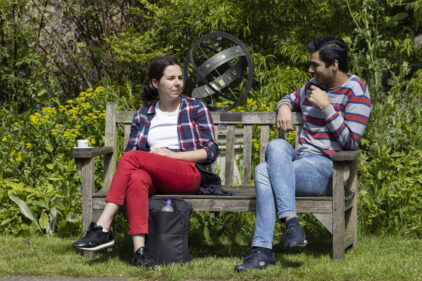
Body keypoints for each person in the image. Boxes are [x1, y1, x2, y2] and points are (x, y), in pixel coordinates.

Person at [234, 37, 372, 272]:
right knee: (277, 146)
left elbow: (350, 143)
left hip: (328, 169)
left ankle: (262, 251)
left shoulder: (357, 91)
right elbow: (288, 98)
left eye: (315, 65)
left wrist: (327, 107)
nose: (310, 69)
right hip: (299, 160)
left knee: (262, 171)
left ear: (334, 65)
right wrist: (285, 106)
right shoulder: (311, 86)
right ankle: (292, 224)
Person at [73, 55, 218, 268]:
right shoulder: (144, 114)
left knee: (132, 158)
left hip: (187, 173)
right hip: (153, 174)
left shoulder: (195, 108)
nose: (177, 83)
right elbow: (133, 152)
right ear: (155, 83)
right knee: (137, 177)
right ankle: (140, 252)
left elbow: (211, 151)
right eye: (170, 78)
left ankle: (103, 226)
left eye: (179, 78)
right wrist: (153, 159)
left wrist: (172, 155)